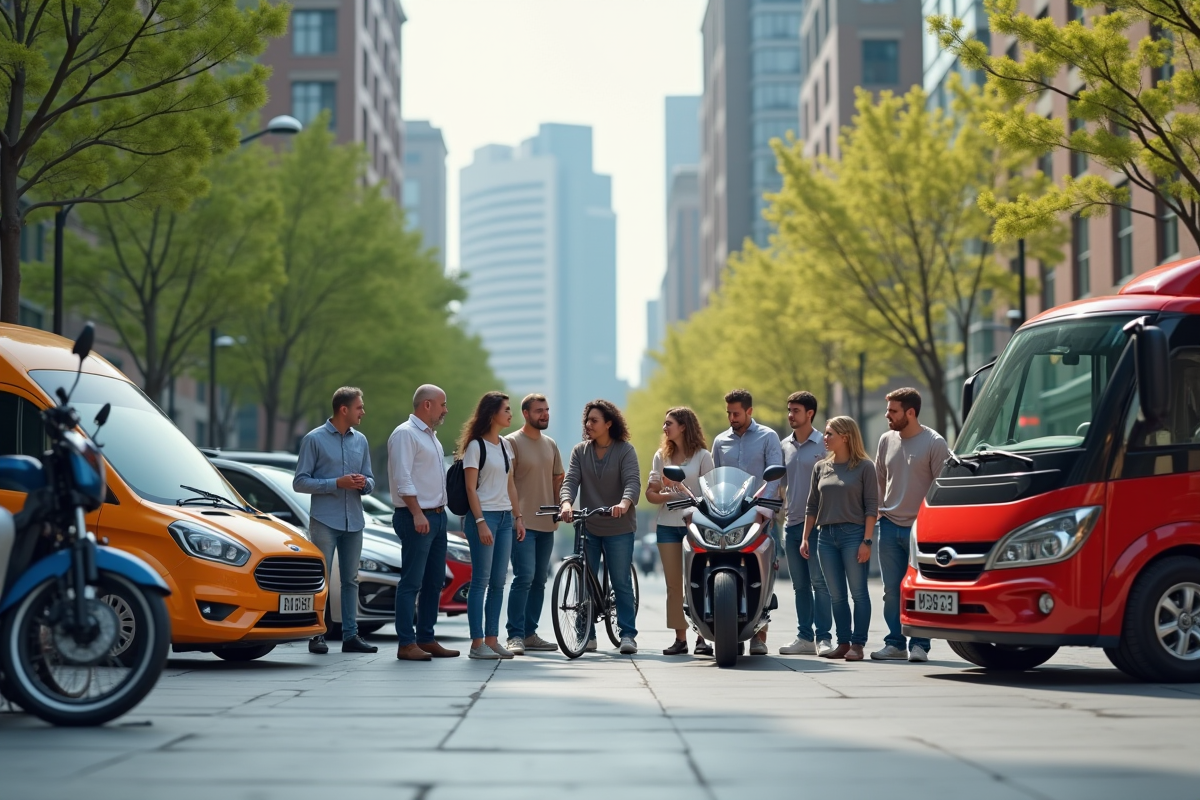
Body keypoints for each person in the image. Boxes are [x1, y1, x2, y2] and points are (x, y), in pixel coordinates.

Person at [293, 387, 379, 655]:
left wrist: (364, 484)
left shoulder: (361, 441)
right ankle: (317, 635)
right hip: (324, 521)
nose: (363, 411)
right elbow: (299, 482)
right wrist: (335, 483)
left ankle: (350, 636)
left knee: (351, 580)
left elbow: (371, 480)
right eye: (359, 407)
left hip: (354, 520)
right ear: (344, 409)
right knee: (322, 579)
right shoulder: (314, 439)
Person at [871, 387, 950, 663]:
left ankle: (920, 645)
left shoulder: (935, 443)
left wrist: (933, 525)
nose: (887, 415)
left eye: (893, 411)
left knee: (919, 589)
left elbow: (943, 488)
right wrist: (880, 513)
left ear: (911, 412)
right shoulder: (885, 440)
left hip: (922, 529)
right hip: (889, 526)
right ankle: (894, 643)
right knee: (891, 591)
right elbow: (880, 479)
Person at [559, 399, 641, 654]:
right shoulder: (580, 451)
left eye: (594, 420)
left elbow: (632, 482)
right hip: (589, 526)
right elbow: (571, 480)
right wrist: (565, 503)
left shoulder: (625, 450)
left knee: (620, 581)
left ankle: (627, 634)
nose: (588, 424)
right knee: (584, 581)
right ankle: (587, 634)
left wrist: (624, 503)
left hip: (619, 526)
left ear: (608, 423)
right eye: (587, 420)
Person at [388, 384, 460, 661]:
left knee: (433, 582)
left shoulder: (431, 436)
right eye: (442, 404)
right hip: (416, 517)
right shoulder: (405, 435)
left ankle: (426, 638)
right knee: (411, 582)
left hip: (437, 517)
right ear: (427, 404)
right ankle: (406, 643)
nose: (446, 409)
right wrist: (417, 513)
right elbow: (403, 478)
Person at [711, 388, 782, 656]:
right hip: (726, 514)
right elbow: (715, 478)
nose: (732, 418)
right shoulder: (720, 441)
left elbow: (774, 476)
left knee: (758, 570)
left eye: (736, 413)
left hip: (758, 515)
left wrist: (764, 510)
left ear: (749, 411)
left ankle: (759, 636)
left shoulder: (768, 436)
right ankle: (726, 629)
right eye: (728, 413)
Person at [801, 416, 878, 661]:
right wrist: (805, 538)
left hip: (854, 535)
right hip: (825, 537)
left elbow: (871, 508)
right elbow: (811, 506)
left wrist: (866, 542)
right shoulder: (820, 467)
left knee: (858, 593)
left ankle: (858, 644)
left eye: (829, 433)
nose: (824, 438)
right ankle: (843, 642)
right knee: (836, 595)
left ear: (845, 437)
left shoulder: (865, 467)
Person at [458, 392, 525, 660]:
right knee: (480, 582)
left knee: (499, 583)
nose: (510, 414)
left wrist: (518, 517)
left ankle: (492, 639)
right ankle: (476, 645)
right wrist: (480, 522)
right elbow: (470, 489)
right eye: (506, 409)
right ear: (492, 413)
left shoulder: (506, 446)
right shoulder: (476, 446)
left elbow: (510, 485)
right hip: (484, 517)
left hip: (505, 518)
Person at [645, 407, 714, 656]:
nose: (665, 428)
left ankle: (703, 639)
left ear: (683, 426)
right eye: (664, 424)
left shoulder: (703, 457)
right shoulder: (660, 457)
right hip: (666, 527)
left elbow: (713, 493)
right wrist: (668, 493)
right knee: (674, 585)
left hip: (696, 527)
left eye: (669, 423)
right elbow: (651, 494)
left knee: (699, 581)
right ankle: (680, 638)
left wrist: (692, 500)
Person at [504, 394, 564, 655]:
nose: (545, 414)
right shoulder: (511, 443)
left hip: (546, 524)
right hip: (522, 523)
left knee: (540, 579)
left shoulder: (550, 444)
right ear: (525, 414)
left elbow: (558, 479)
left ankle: (530, 633)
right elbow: (507, 483)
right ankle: (514, 635)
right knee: (524, 577)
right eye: (539, 411)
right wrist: (516, 516)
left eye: (547, 410)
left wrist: (560, 506)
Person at [777, 391, 833, 657]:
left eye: (796, 410)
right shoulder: (783, 445)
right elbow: (779, 485)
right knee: (800, 585)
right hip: (792, 524)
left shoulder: (825, 444)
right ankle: (804, 637)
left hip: (819, 526)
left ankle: (824, 638)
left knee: (820, 583)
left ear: (810, 413)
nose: (790, 415)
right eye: (789, 410)